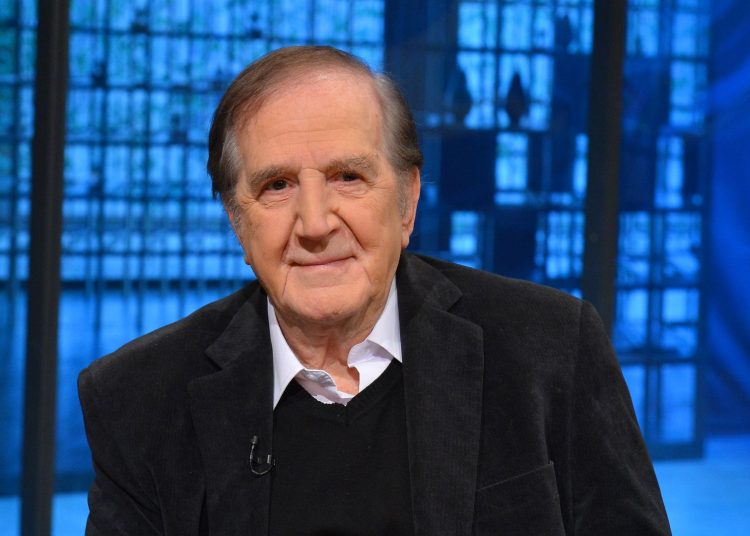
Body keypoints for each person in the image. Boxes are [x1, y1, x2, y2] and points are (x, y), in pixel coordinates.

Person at [78, 45, 671, 535]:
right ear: (238, 220)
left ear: (407, 202)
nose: (315, 224)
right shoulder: (138, 400)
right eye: (277, 185)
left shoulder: (551, 350)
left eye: (348, 176)